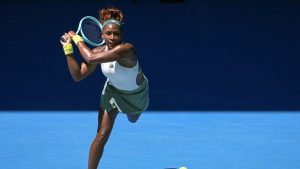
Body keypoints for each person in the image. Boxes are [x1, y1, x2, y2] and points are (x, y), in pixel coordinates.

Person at [60, 6, 149, 169]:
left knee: (133, 119)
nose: (112, 37)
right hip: (112, 91)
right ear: (102, 35)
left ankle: (133, 112)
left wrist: (76, 38)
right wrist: (68, 49)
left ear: (122, 35)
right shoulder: (99, 51)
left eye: (116, 33)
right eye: (108, 33)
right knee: (101, 134)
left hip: (136, 95)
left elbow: (91, 58)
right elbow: (78, 75)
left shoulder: (126, 49)